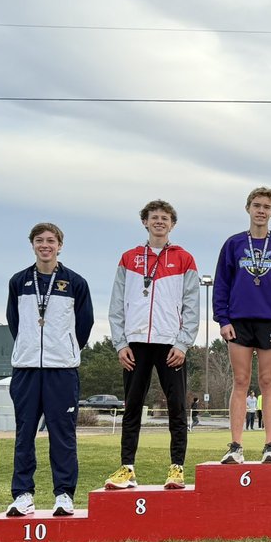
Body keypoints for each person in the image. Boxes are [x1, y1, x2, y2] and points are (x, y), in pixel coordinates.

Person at [104, 199, 200, 491]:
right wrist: (120, 344)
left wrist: (183, 344)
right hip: (135, 343)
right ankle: (127, 469)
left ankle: (176, 469)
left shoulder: (185, 259)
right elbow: (116, 305)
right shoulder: (128, 258)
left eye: (165, 218)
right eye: (154, 217)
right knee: (132, 406)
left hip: (171, 344)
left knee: (176, 407)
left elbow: (192, 306)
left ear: (172, 224)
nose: (159, 222)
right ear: (144, 222)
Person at [5, 222, 94, 517]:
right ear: (32, 244)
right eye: (40, 240)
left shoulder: (76, 283)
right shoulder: (18, 281)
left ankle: (64, 495)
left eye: (51, 240)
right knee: (24, 434)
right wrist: (30, 347)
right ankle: (23, 495)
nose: (45, 245)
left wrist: (65, 349)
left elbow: (85, 324)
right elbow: (14, 322)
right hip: (27, 369)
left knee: (63, 435)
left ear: (60, 245)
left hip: (62, 370)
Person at [213, 186, 271, 464]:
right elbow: (221, 284)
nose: (261, 211)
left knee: (267, 381)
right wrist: (223, 319)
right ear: (248, 208)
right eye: (257, 205)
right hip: (238, 321)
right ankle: (236, 446)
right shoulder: (234, 244)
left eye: (266, 207)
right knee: (240, 381)